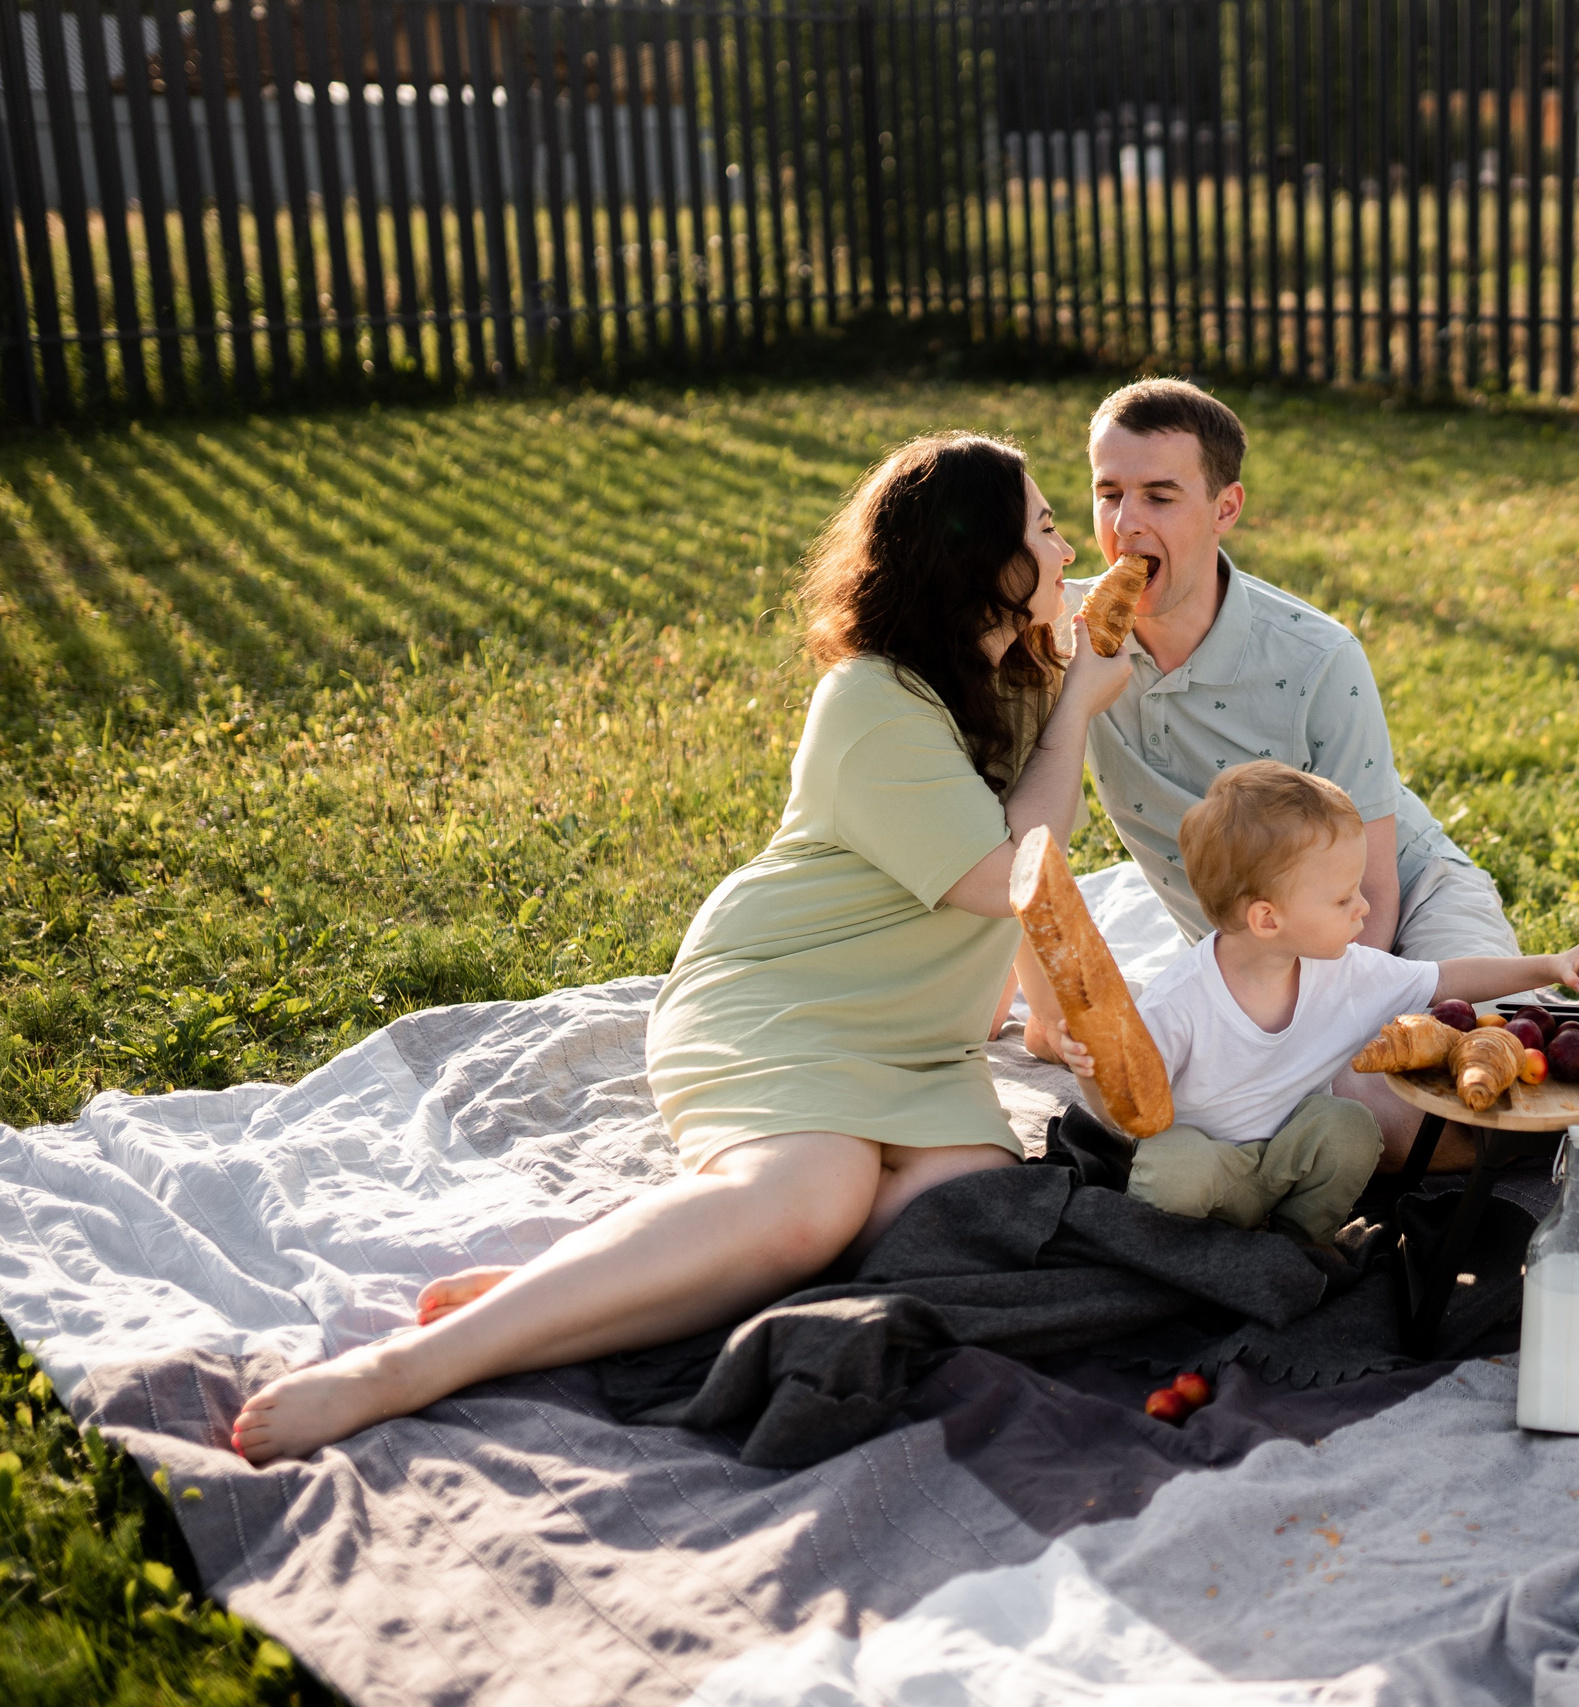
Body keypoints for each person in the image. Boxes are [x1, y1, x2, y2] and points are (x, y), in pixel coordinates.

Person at [230, 432, 1133, 1464]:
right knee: (810, 1205)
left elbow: (1027, 858)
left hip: (915, 1051)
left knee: (960, 1218)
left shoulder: (1014, 678)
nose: (1072, 551)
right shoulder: (876, 702)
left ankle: (583, 1279)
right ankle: (415, 1368)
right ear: (984, 567)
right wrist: (1075, 721)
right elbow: (1004, 877)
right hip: (786, 999)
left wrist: (1043, 1004)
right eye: (1050, 529)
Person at [1016, 379, 1521, 1168]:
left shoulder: (1318, 658)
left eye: (1160, 495)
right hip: (1252, 942)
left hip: (1394, 904)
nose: (1126, 524)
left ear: (1226, 508)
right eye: (1108, 493)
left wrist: (1322, 1031)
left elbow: (1377, 889)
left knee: (1458, 1095)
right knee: (1324, 1117)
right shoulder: (1064, 637)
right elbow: (1010, 821)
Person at [1053, 762, 1579, 1252]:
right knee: (1175, 1167)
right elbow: (1127, 1113)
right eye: (1343, 897)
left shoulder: (1343, 970)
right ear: (1267, 919)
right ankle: (1182, 1255)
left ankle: (1301, 1241)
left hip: (1287, 1163)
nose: (1364, 906)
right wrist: (1090, 1076)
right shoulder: (1181, 1001)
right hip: (1210, 1172)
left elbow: (1445, 978)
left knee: (1348, 1126)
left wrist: (1550, 965)